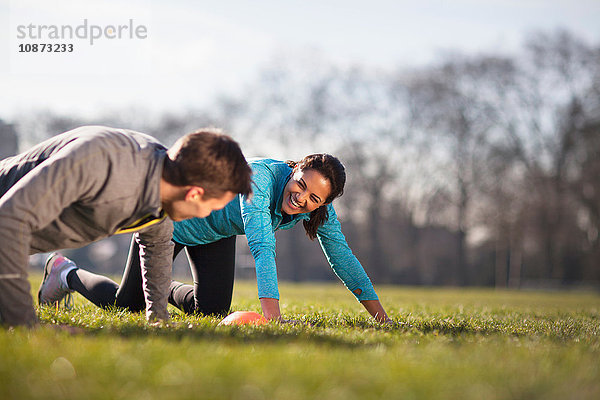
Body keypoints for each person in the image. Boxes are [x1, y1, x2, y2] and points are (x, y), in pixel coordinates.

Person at [50, 154, 392, 323]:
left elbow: (343, 259)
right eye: (300, 185)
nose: (301, 199)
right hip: (168, 220)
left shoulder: (320, 212)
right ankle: (64, 271)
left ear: (325, 204)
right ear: (294, 171)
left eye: (314, 198)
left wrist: (382, 319)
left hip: (214, 233)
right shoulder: (259, 179)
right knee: (127, 306)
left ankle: (160, 284)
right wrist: (273, 316)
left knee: (211, 311)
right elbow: (261, 245)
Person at [0, 125, 252, 327]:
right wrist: (23, 322)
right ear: (194, 194)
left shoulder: (160, 191)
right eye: (213, 207)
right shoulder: (101, 161)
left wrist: (158, 317)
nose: (210, 214)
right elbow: (9, 220)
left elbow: (157, 247)